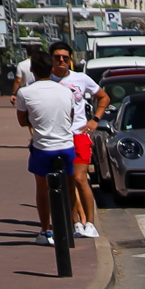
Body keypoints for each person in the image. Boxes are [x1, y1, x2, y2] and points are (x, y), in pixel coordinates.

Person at [14, 48, 79, 246]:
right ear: (51, 68)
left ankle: (45, 230)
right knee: (69, 186)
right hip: (66, 145)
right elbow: (71, 117)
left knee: (42, 189)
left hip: (42, 147)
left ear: (32, 70)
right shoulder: (66, 90)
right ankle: (72, 225)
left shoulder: (24, 92)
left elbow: (22, 121)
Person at [47, 44, 104, 242]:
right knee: (69, 181)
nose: (61, 61)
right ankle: (74, 223)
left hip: (79, 134)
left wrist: (94, 120)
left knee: (80, 178)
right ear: (51, 59)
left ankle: (90, 223)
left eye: (65, 57)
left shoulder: (80, 78)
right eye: (57, 57)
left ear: (70, 59)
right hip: (58, 136)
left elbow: (103, 97)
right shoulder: (47, 80)